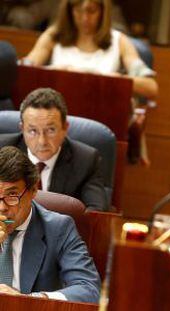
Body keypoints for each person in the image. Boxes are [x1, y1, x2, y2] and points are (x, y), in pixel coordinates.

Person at [25, 0, 158, 164]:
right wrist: (59, 70)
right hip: (53, 128)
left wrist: (110, 79)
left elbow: (150, 87)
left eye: (91, 11)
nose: (84, 18)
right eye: (78, 11)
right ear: (69, 10)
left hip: (101, 131)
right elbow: (26, 70)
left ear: (103, 11)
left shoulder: (120, 41)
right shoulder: (54, 36)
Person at [0, 146, 100, 302]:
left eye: (12, 195)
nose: (2, 207)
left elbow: (89, 290)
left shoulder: (59, 228)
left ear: (33, 190)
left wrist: (28, 300)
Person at [0, 88, 108, 211]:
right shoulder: (2, 150)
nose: (42, 141)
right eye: (32, 131)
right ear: (22, 128)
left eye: (51, 130)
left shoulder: (86, 160)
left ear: (65, 128)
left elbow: (96, 213)